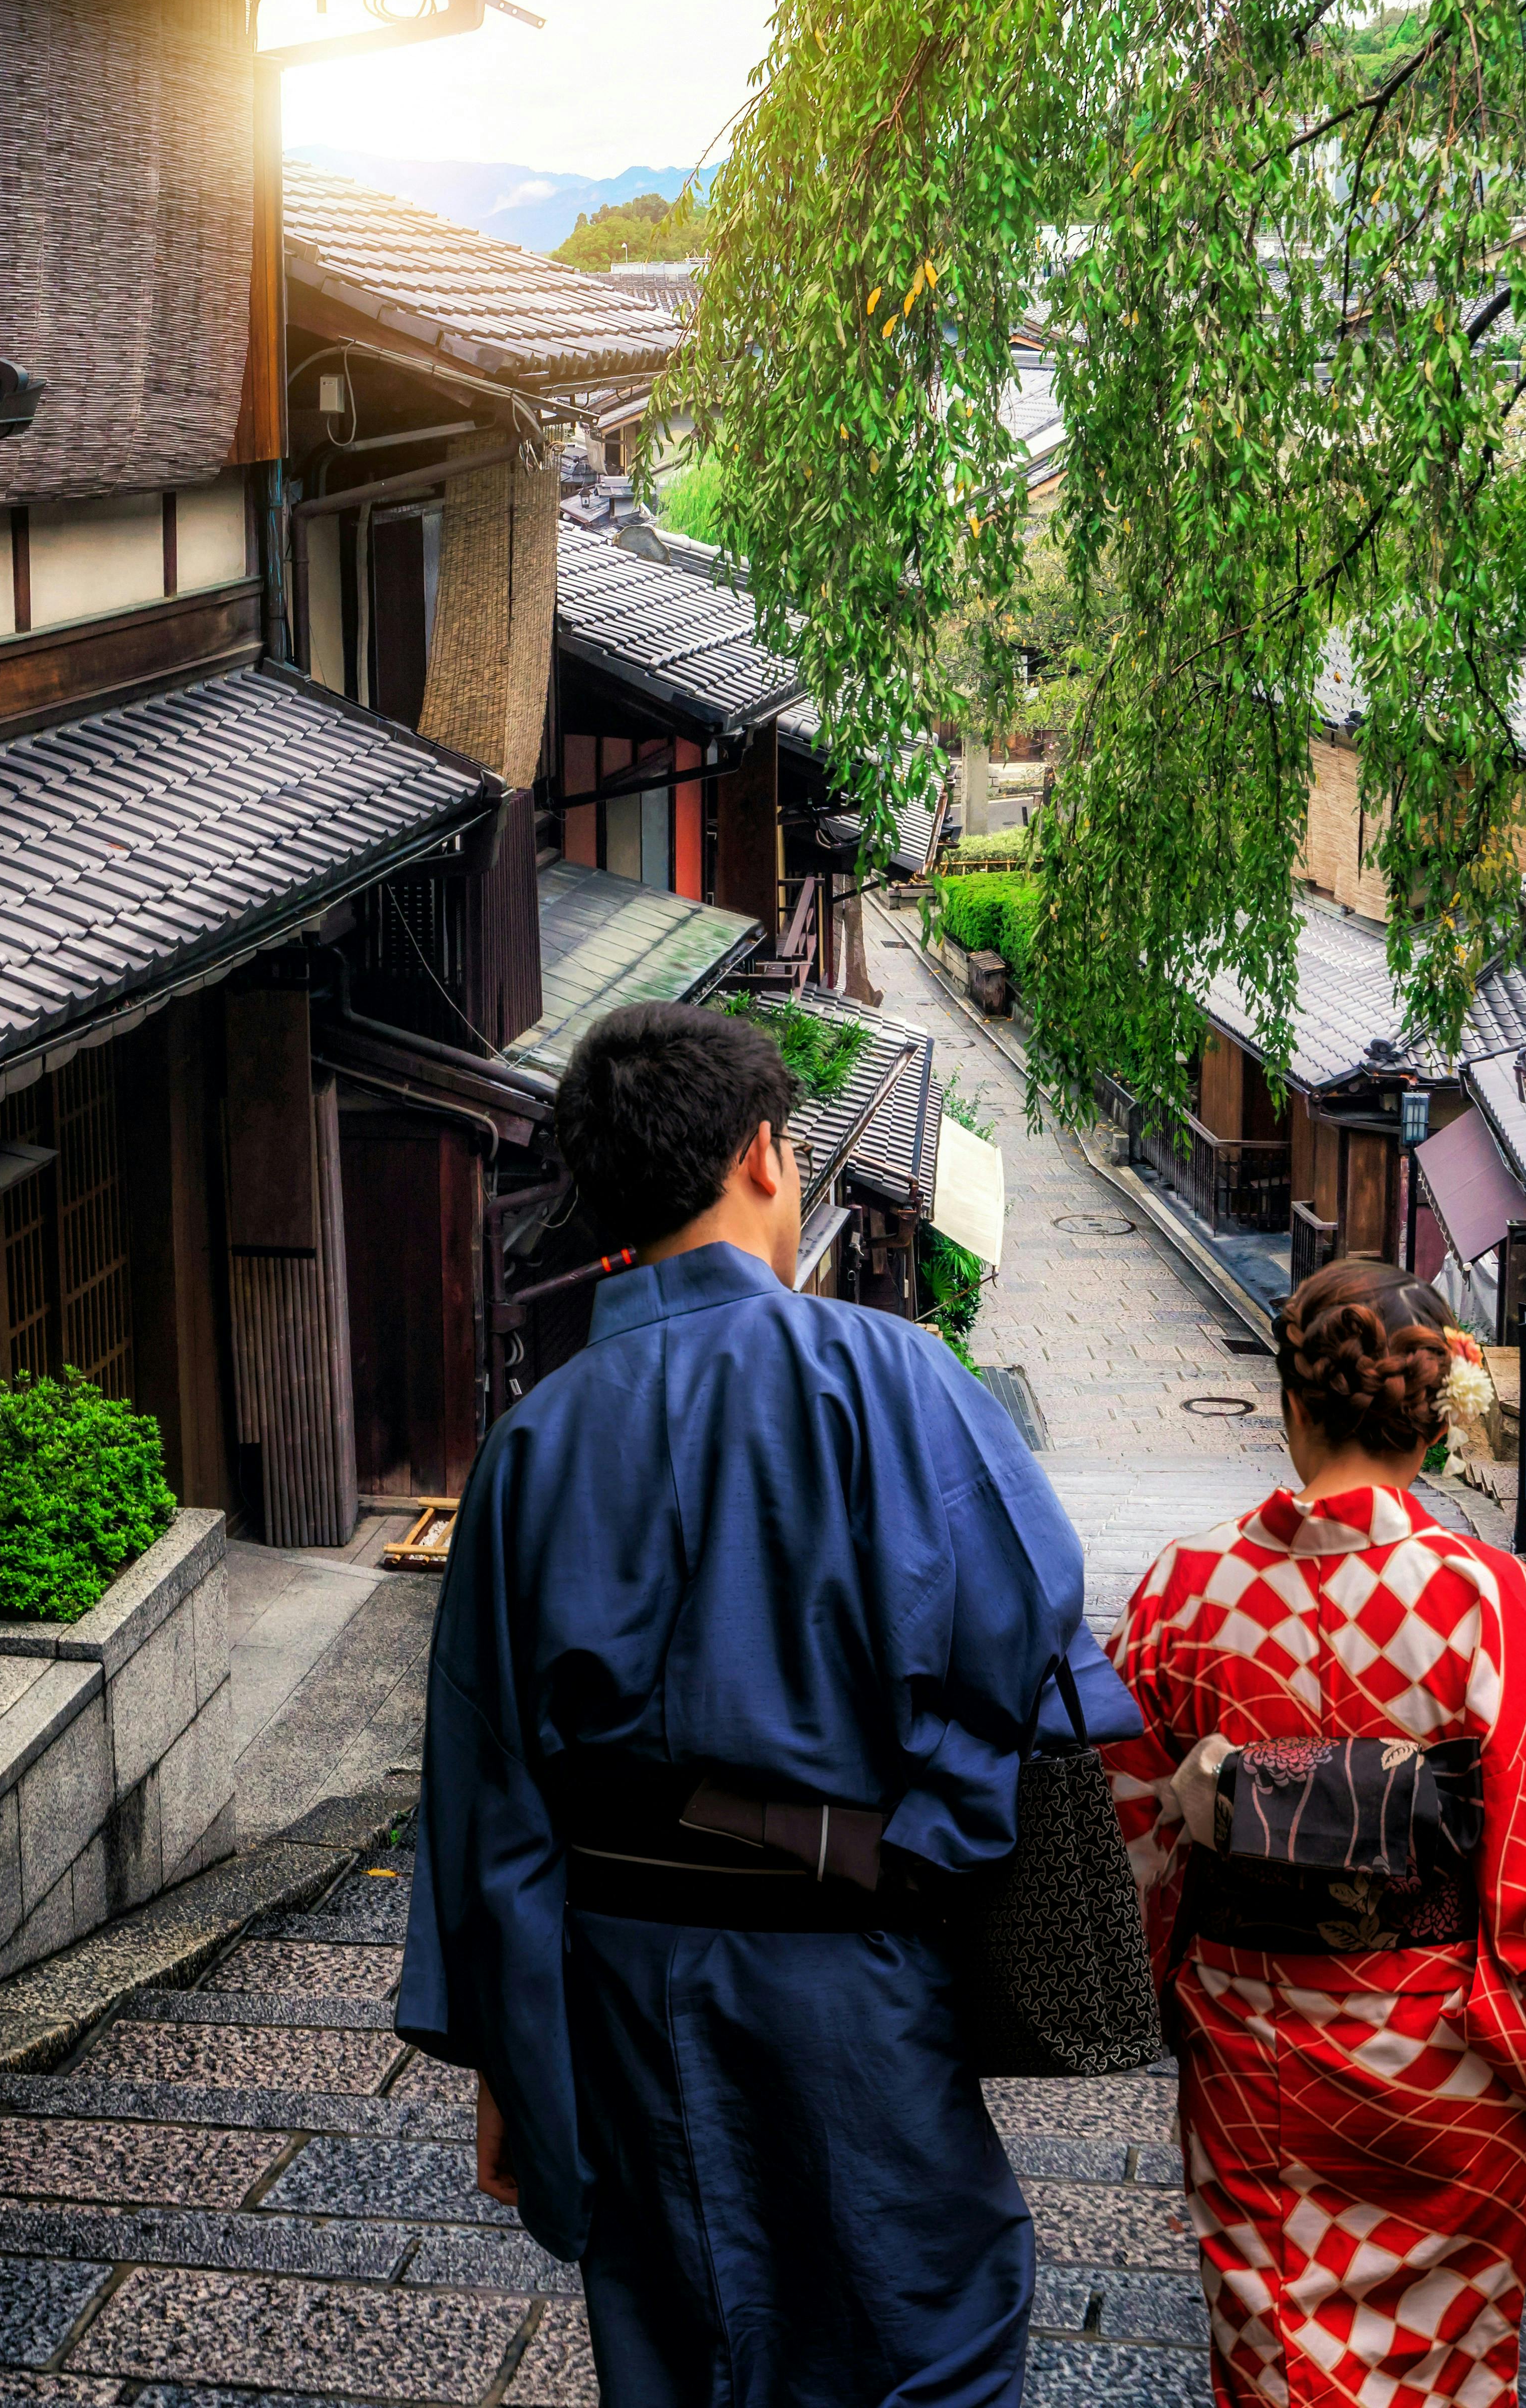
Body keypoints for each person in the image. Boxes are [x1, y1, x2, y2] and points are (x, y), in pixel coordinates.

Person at [397, 999, 1138, 2408]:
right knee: (926, 2335)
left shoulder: (534, 1443)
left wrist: (503, 2052)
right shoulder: (898, 1376)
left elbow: (486, 1783)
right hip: (845, 1966)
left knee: (677, 2347)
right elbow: (1025, 1637)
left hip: (613, 1987)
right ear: (764, 1157)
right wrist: (927, 1809)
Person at [1104, 1256, 1526, 2408]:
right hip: (1451, 2072)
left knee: (1279, 2375)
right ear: (1433, 1419)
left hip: (1256, 2061)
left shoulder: (1188, 1591)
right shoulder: (1495, 1598)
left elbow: (1132, 1843)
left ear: (1292, 1403)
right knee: (1452, 2377)